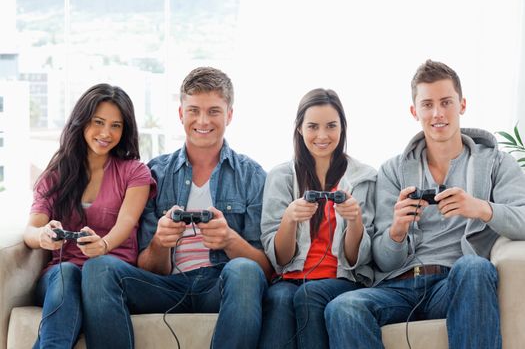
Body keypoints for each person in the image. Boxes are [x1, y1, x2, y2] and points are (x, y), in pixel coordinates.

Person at [325, 60, 525, 349]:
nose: (437, 113)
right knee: (342, 308)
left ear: (462, 105)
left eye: (446, 102)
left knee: (474, 267)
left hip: (454, 283)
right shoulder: (393, 171)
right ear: (414, 111)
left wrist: (479, 208)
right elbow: (383, 260)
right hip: (400, 287)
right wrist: (396, 230)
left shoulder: (495, 162)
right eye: (427, 105)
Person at [82, 66, 272, 349]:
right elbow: (146, 267)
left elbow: (265, 272)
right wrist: (160, 242)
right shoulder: (155, 173)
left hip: (221, 286)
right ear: (181, 114)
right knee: (99, 269)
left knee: (243, 271)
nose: (203, 120)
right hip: (167, 286)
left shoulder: (253, 176)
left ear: (229, 115)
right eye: (194, 110)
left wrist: (230, 240)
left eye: (214, 111)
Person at [24, 83, 155, 348]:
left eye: (116, 125)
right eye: (98, 122)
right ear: (82, 122)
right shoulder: (55, 175)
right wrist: (44, 236)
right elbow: (30, 231)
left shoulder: (135, 172)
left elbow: (126, 223)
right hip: (60, 278)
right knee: (68, 273)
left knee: (92, 271)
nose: (106, 133)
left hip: (111, 274)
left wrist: (104, 245)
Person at [258, 88, 377, 349]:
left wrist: (355, 221)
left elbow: (360, 259)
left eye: (331, 126)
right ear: (299, 128)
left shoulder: (364, 177)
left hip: (342, 280)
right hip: (291, 278)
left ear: (342, 129)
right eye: (312, 126)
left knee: (310, 294)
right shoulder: (280, 177)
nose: (322, 136)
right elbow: (279, 258)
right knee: (277, 301)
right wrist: (289, 219)